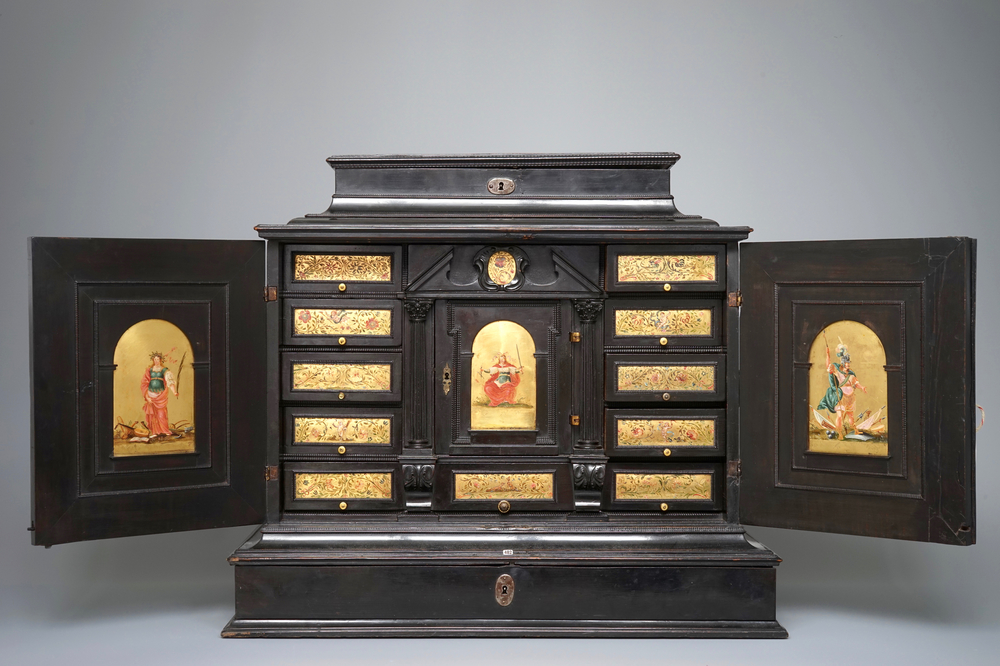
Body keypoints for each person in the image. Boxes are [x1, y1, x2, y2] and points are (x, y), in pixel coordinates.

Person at [817, 343, 867, 437]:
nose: (848, 364)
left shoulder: (851, 373)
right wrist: (827, 354)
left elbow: (856, 383)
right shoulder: (838, 371)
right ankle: (840, 433)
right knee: (839, 416)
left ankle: (855, 430)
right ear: (843, 364)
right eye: (846, 363)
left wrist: (862, 387)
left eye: (849, 363)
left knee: (851, 416)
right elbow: (828, 366)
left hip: (851, 398)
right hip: (841, 397)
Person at [142, 352, 178, 438]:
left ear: (161, 360)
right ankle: (154, 432)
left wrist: (174, 392)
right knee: (153, 414)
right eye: (155, 359)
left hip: (160, 395)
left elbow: (170, 381)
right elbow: (144, 382)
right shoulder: (149, 370)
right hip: (150, 394)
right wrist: (147, 396)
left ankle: (164, 430)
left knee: (162, 414)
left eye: (158, 359)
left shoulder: (164, 370)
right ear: (153, 360)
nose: (156, 361)